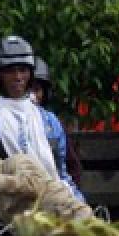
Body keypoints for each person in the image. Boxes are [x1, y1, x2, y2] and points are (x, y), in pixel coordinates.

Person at [0, 36, 80, 199]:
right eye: (10, 71)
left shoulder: (49, 120)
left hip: (52, 205)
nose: (18, 77)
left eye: (23, 70)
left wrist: (77, 205)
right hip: (8, 210)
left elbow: (62, 172)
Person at [28, 57, 84, 199]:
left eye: (36, 90)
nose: (32, 96)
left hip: (54, 196)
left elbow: (71, 167)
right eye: (28, 90)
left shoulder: (52, 124)